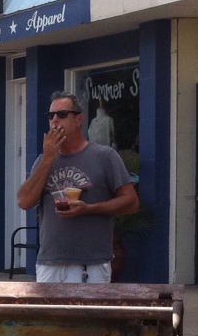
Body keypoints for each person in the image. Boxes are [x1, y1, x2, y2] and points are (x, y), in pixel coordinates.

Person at [18, 92, 139, 283]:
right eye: (51, 116)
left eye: (62, 114)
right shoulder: (44, 160)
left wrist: (89, 209)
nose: (55, 120)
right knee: (50, 314)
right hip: (50, 262)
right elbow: (24, 201)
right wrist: (48, 158)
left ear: (79, 120)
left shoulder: (105, 156)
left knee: (89, 314)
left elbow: (131, 202)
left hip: (91, 264)